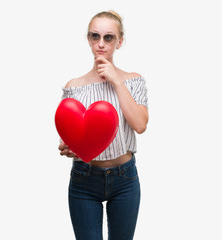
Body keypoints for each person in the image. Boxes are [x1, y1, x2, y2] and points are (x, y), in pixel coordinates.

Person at [58, 10, 149, 240]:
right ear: (88, 39)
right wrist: (67, 147)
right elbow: (69, 132)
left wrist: (116, 81)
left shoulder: (133, 80)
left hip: (125, 179)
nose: (101, 44)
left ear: (119, 42)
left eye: (108, 38)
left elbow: (139, 125)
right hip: (84, 180)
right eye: (95, 36)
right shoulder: (74, 86)